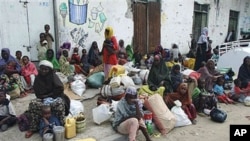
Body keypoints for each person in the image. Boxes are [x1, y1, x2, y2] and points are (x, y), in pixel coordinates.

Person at [25, 60, 70, 138]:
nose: (44, 71)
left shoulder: (53, 76)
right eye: (42, 69)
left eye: (46, 69)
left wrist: (49, 95)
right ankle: (33, 128)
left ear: (50, 70)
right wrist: (43, 97)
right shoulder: (38, 78)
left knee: (59, 104)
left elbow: (59, 89)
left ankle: (61, 126)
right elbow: (37, 93)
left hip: (55, 97)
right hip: (42, 98)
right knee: (33, 104)